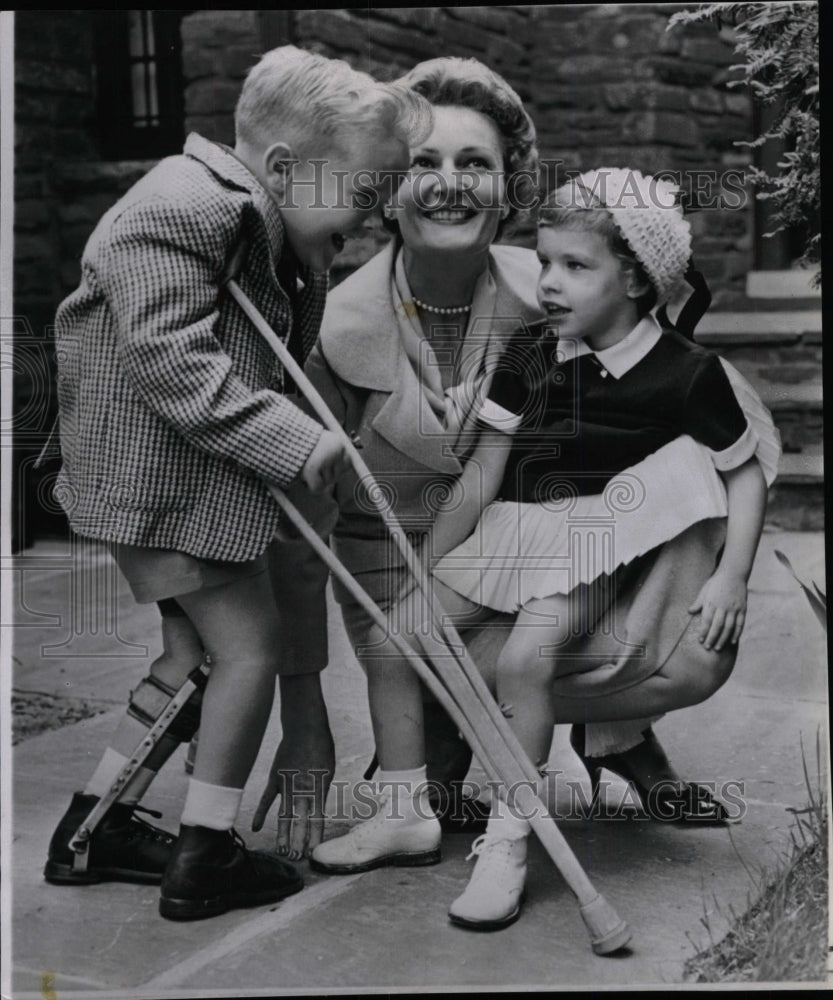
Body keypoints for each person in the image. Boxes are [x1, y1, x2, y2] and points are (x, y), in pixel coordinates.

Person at [254, 57, 781, 864]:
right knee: (425, 750)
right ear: (386, 186)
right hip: (408, 573)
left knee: (650, 643)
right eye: (421, 163)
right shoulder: (329, 328)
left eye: (475, 163)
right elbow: (295, 540)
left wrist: (695, 568)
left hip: (562, 560)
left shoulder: (568, 289)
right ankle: (451, 746)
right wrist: (302, 718)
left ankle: (614, 731)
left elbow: (702, 440)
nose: (447, 184)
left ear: (510, 186)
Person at [43, 44, 429, 922]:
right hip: (159, 485)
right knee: (249, 646)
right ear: (287, 166)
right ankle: (205, 851)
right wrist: (292, 441)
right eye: (363, 196)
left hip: (177, 483)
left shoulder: (250, 218)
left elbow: (259, 347)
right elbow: (170, 355)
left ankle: (93, 824)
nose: (369, 222)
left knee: (189, 658)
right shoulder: (183, 207)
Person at [422, 168, 775, 928]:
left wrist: (732, 580)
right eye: (544, 260)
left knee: (525, 657)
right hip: (521, 523)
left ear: (639, 284)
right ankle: (437, 773)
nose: (548, 283)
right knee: (418, 627)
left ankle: (509, 837)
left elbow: (744, 474)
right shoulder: (529, 351)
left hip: (598, 536)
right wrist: (427, 566)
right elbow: (483, 469)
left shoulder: (686, 374)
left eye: (575, 266)